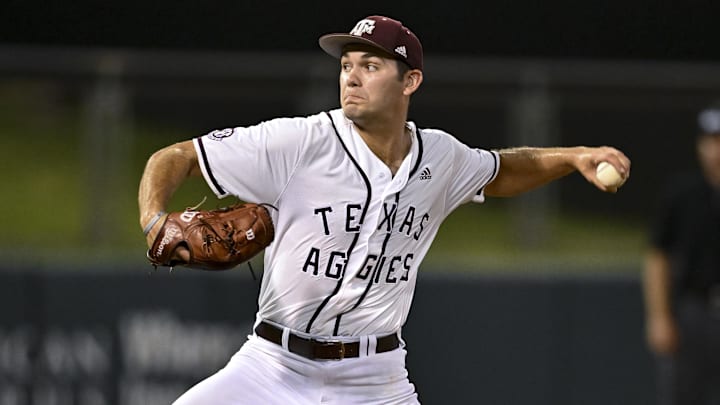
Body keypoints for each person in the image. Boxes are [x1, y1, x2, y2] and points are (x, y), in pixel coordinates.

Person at [138, 15, 631, 405]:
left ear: (410, 80)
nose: (351, 76)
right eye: (346, 64)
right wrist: (155, 219)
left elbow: (501, 171)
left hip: (374, 380)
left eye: (369, 67)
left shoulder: (440, 158)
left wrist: (572, 157)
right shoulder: (299, 142)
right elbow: (175, 157)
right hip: (273, 366)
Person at [643, 106, 720, 405]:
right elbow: (657, 256)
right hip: (695, 312)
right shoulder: (682, 194)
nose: (717, 150)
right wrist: (659, 316)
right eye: (711, 140)